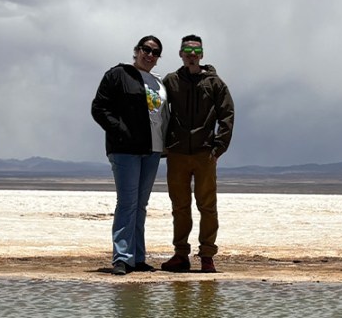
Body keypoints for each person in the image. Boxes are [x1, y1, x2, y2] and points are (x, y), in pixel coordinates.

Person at [91, 35, 168, 275]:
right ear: (136, 51)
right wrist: (121, 132)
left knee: (141, 205)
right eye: (146, 49)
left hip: (153, 150)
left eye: (156, 52)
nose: (150, 55)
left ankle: (137, 257)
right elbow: (99, 108)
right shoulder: (118, 75)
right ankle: (122, 258)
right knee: (127, 203)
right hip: (126, 150)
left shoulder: (158, 82)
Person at [160, 34, 235, 273]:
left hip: (205, 154)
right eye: (187, 51)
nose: (191, 55)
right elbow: (158, 112)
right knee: (180, 206)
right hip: (177, 153)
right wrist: (163, 144)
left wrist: (218, 147)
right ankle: (181, 254)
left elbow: (227, 115)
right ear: (180, 54)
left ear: (201, 54)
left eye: (196, 51)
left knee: (207, 206)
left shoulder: (215, 83)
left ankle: (207, 256)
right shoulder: (171, 81)